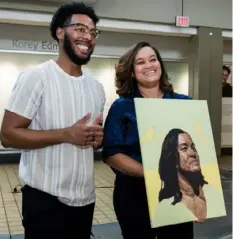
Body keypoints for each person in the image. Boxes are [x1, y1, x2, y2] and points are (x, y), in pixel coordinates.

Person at [0, 2, 105, 239]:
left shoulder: (96, 88)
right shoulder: (36, 77)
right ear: (60, 32)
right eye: (79, 28)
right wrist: (65, 134)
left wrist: (97, 139)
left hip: (85, 200)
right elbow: (7, 135)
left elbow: (93, 140)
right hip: (45, 201)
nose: (87, 37)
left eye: (92, 32)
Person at [102, 41, 194, 239]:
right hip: (134, 194)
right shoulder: (122, 107)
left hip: (178, 192)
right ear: (132, 72)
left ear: (160, 64)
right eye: (140, 62)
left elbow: (198, 150)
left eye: (153, 59)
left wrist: (201, 199)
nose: (149, 65)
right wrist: (153, 174)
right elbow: (111, 154)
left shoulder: (184, 103)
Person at [153, 128, 226, 228]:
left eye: (193, 147)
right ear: (173, 159)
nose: (192, 153)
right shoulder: (166, 207)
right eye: (184, 148)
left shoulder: (212, 193)